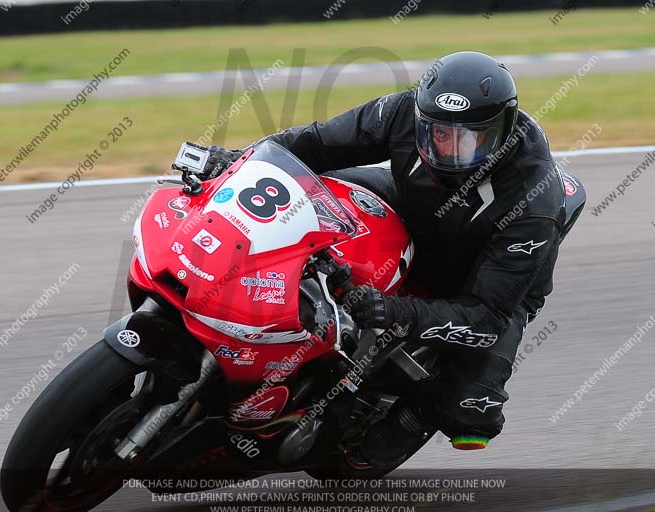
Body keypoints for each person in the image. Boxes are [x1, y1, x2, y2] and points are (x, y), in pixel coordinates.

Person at [201, 51, 567, 467]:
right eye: (438, 133)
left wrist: (393, 311)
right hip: (415, 207)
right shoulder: (401, 112)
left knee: (469, 414)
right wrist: (236, 163)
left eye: (468, 137)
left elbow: (486, 317)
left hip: (481, 278)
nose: (448, 149)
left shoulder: (535, 200)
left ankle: (418, 409)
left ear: (502, 131)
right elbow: (314, 143)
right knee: (310, 194)